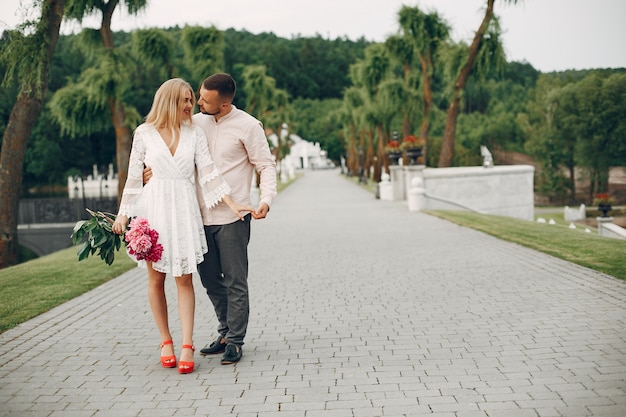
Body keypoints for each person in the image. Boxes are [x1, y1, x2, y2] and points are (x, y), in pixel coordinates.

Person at [112, 78, 252, 374]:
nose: (190, 106)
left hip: (184, 209)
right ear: (168, 101)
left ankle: (187, 344)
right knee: (156, 280)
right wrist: (124, 214)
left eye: (191, 100)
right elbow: (135, 177)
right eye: (184, 100)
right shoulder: (144, 133)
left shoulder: (194, 133)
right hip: (154, 209)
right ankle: (166, 341)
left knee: (185, 279)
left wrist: (233, 202)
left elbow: (209, 174)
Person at [194, 73, 277, 364]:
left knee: (234, 281)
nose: (199, 102)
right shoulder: (195, 122)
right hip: (198, 217)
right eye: (200, 96)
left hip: (234, 216)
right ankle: (225, 331)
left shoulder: (248, 125)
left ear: (225, 104)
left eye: (205, 100)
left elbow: (265, 165)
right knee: (209, 280)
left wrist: (265, 200)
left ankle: (236, 341)